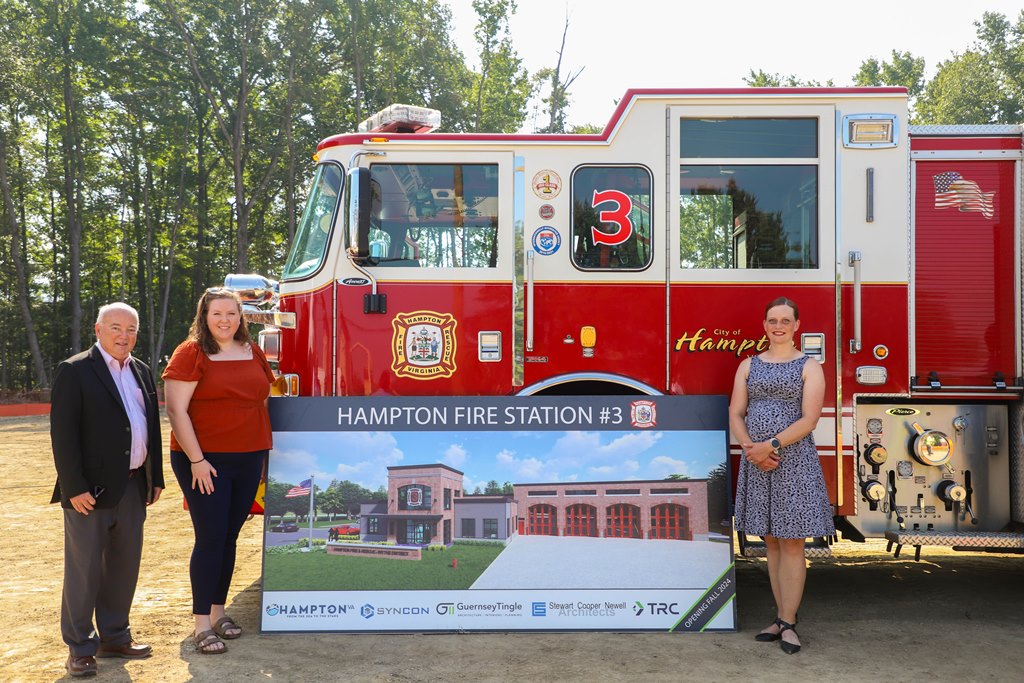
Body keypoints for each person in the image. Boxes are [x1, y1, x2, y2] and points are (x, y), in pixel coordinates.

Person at [50, 302, 164, 677]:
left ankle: (115, 636)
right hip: (89, 492)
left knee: (123, 567)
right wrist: (74, 486)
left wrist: (155, 477)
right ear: (98, 330)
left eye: (131, 329)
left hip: (133, 487)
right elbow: (63, 435)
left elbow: (151, 427)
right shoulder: (75, 370)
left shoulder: (142, 371)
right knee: (84, 571)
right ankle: (80, 647)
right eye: (115, 327)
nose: (123, 335)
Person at [163, 288, 274, 654]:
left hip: (247, 458)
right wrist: (197, 460)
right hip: (204, 461)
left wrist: (261, 456)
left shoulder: (251, 350)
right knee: (210, 538)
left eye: (231, 313)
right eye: (216, 314)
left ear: (241, 316)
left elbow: (262, 398)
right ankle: (200, 625)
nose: (224, 320)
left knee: (228, 539)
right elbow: (177, 411)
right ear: (204, 317)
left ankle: (218, 613)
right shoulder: (191, 353)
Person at [729, 296, 835, 655]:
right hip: (758, 463)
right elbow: (735, 411)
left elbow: (809, 419)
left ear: (796, 326)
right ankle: (778, 616)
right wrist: (751, 449)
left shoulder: (810, 366)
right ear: (764, 325)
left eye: (785, 321)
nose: (778, 325)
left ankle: (789, 623)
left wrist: (769, 444)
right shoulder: (748, 366)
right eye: (772, 319)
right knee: (770, 539)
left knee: (792, 542)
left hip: (794, 462)